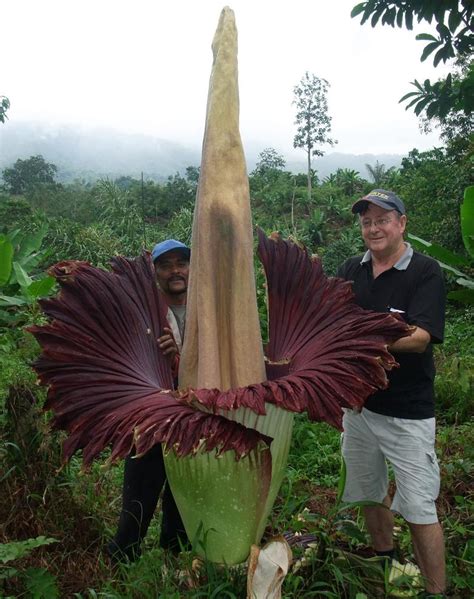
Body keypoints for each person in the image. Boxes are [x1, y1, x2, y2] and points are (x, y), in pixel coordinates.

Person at [337, 190, 446, 598]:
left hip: (407, 413)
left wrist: (361, 339)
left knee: (419, 504)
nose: (374, 228)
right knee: (368, 490)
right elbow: (331, 323)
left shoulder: (424, 271)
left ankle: (436, 590)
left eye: (383, 219)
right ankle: (384, 558)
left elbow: (419, 337)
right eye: (367, 222)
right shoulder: (352, 269)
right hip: (359, 408)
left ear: (402, 223)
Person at [107, 239, 190, 562]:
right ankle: (124, 556)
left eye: (181, 263)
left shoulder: (205, 309)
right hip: (150, 415)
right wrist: (157, 350)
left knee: (182, 491)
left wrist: (181, 356)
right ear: (155, 272)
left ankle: (175, 554)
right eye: (166, 265)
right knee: (140, 490)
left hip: (194, 412)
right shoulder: (145, 311)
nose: (175, 271)